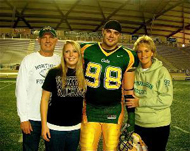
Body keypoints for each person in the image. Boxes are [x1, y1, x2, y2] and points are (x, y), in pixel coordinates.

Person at [80, 20, 138, 151]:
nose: (111, 36)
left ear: (119, 36)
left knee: (111, 148)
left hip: (114, 111)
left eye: (116, 33)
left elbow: (129, 89)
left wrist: (131, 118)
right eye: (109, 32)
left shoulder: (128, 56)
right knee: (87, 148)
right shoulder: (85, 49)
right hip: (90, 110)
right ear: (103, 32)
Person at [15, 26, 60, 151]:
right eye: (44, 38)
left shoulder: (60, 61)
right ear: (38, 40)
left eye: (51, 38)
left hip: (53, 118)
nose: (47, 40)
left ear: (56, 40)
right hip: (32, 117)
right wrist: (24, 118)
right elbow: (21, 90)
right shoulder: (28, 60)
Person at [126, 35, 173, 151]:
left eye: (146, 51)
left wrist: (140, 102)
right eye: (140, 52)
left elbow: (167, 100)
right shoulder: (134, 72)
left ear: (152, 52)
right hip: (139, 124)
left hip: (158, 124)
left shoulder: (162, 72)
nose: (143, 55)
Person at [40, 40, 86, 151]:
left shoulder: (84, 74)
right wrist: (44, 125)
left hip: (75, 128)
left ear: (79, 54)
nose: (71, 55)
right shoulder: (53, 72)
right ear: (63, 54)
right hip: (55, 128)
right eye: (67, 51)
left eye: (74, 51)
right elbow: (44, 100)